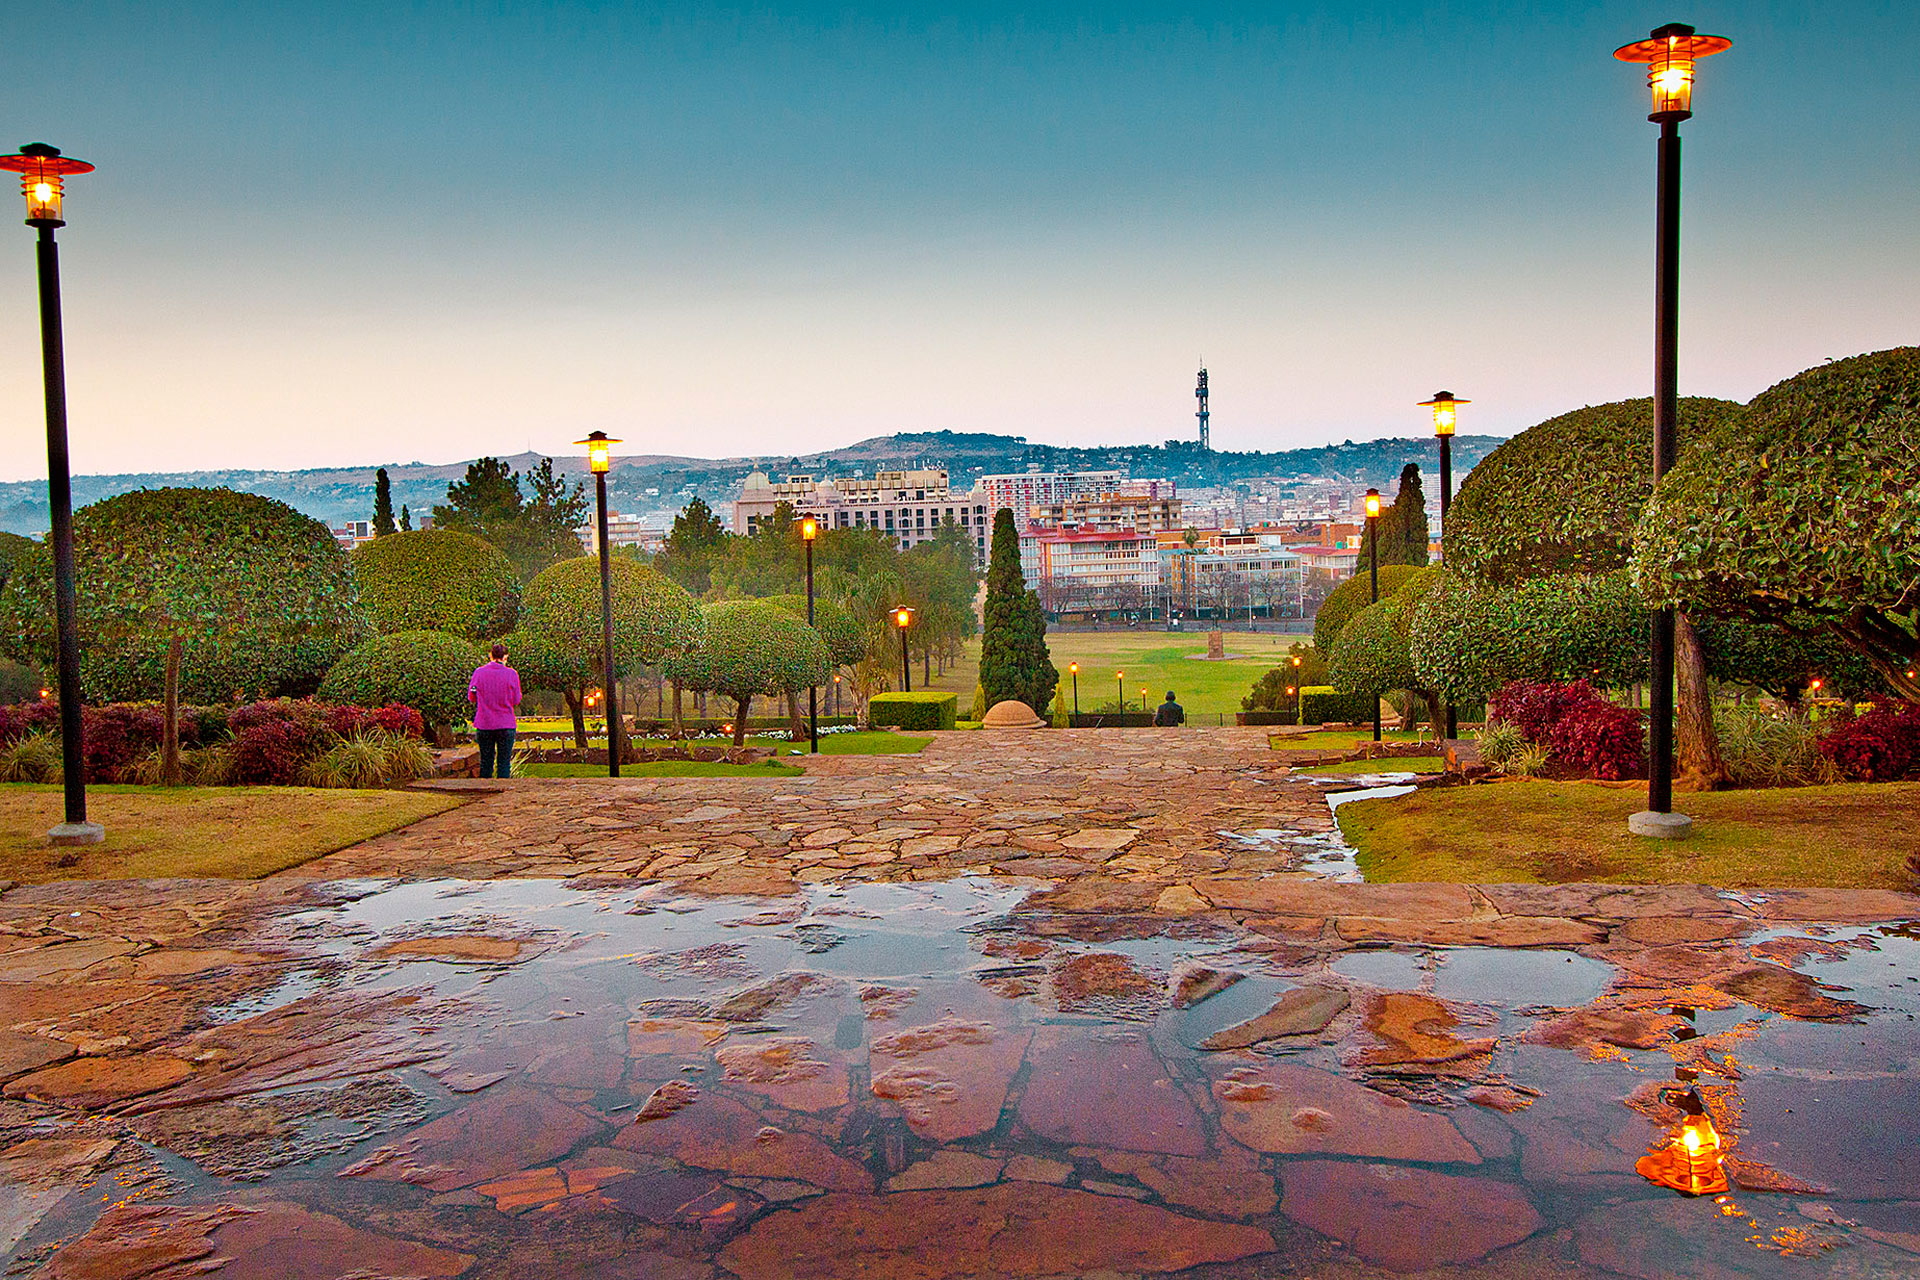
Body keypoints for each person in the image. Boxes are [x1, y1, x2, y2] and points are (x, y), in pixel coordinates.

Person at [468, 642, 523, 778]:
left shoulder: (479, 673)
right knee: (504, 763)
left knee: (486, 762)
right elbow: (516, 700)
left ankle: (485, 793)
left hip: (484, 723)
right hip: (505, 723)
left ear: (490, 655)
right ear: (506, 657)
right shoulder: (511, 674)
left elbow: (471, 696)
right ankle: (503, 792)